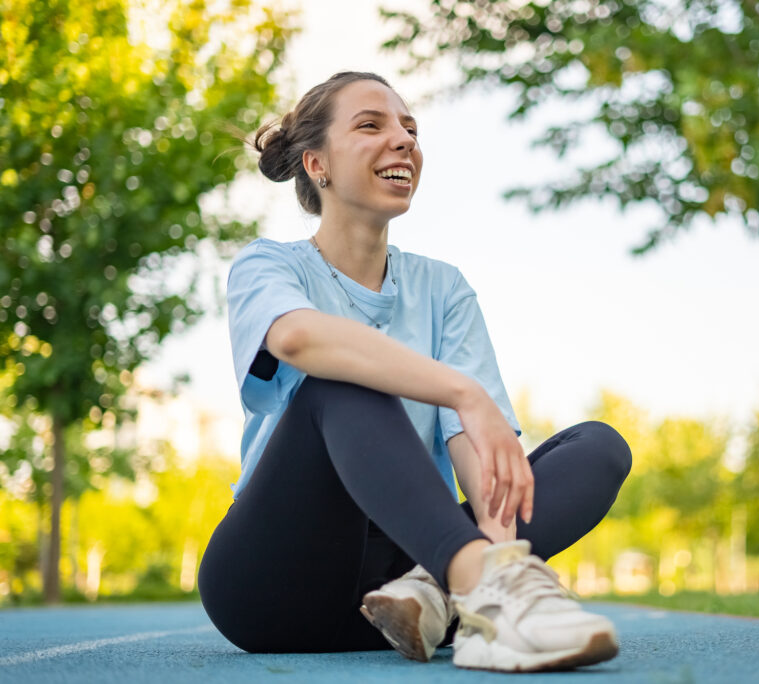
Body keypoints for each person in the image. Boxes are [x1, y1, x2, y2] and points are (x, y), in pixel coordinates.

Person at [196, 71, 632, 673]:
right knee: (342, 383)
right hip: (276, 585)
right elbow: (296, 337)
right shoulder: (267, 265)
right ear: (316, 163)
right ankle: (474, 580)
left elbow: (478, 457)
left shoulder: (443, 287)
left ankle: (464, 594)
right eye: (371, 125)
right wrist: (459, 388)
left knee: (599, 447)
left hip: (402, 585)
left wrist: (497, 557)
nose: (403, 140)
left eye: (410, 128)